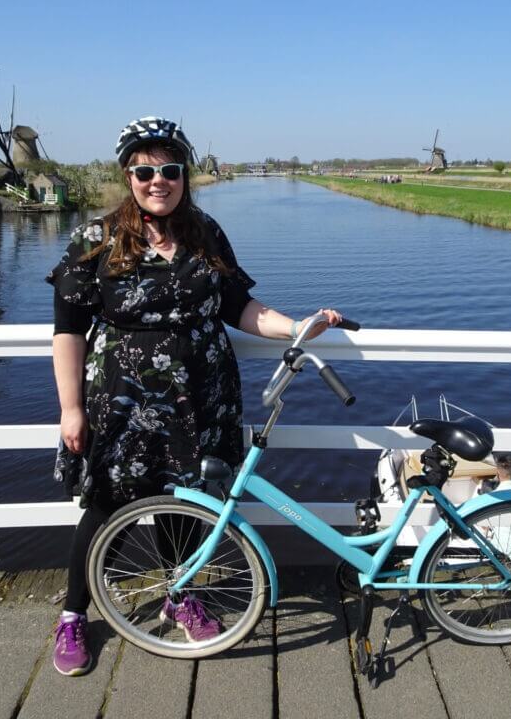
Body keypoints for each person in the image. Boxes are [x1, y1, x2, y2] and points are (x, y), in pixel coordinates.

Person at [46, 116, 343, 676]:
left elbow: (239, 308)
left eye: (170, 169)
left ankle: (177, 594)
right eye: (145, 170)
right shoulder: (96, 239)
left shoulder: (205, 232)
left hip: (201, 398)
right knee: (106, 506)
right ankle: (73, 616)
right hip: (124, 401)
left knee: (186, 503)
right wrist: (70, 408)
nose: (158, 181)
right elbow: (67, 330)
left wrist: (295, 326)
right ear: (128, 175)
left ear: (185, 173)